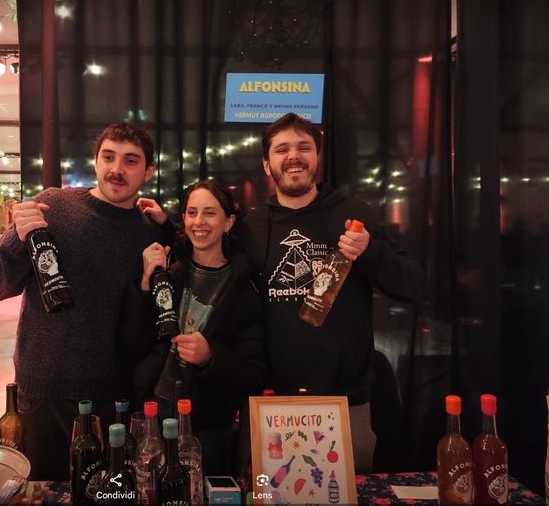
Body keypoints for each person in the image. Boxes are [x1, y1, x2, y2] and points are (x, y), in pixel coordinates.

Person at [0, 122, 173, 481]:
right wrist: (16, 239)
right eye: (108, 157)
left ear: (148, 171)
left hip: (114, 398)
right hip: (44, 391)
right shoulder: (53, 206)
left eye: (131, 161)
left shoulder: (149, 234)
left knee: (109, 495)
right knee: (42, 494)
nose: (117, 169)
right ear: (96, 161)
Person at [235, 113, 424, 475]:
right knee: (272, 495)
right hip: (269, 401)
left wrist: (371, 251)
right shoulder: (249, 228)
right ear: (266, 164)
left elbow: (412, 285)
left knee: (347, 493)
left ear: (317, 157)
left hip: (345, 400)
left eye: (304, 147)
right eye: (282, 149)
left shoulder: (354, 215)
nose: (294, 156)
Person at [118, 180, 267, 477]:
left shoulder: (243, 289)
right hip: (153, 411)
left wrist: (211, 357)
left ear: (228, 222)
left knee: (203, 493)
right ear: (183, 219)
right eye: (192, 212)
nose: (199, 222)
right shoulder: (170, 272)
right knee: (150, 491)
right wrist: (146, 284)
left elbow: (253, 374)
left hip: (207, 425)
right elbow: (133, 344)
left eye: (210, 213)